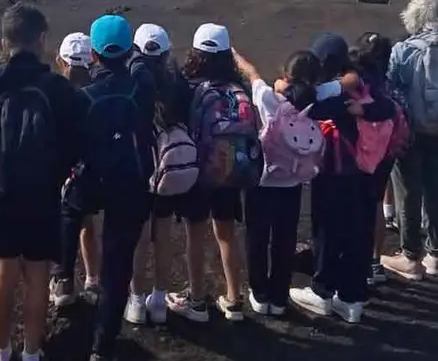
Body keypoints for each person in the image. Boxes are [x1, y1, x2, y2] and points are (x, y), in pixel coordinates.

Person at [0, 4, 86, 361]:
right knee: (37, 273)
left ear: (5, 42)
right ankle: (32, 352)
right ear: (42, 40)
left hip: (0, 194)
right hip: (44, 196)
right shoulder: (58, 89)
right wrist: (57, 175)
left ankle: (1, 351)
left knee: (3, 271)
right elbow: (74, 144)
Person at [288, 33, 388, 324]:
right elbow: (389, 108)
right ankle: (353, 299)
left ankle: (322, 292)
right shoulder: (368, 83)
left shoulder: (336, 92)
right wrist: (365, 109)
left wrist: (286, 86)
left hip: (336, 171)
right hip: (369, 170)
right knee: (360, 233)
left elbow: (306, 106)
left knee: (328, 231)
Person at [78, 15, 157, 361]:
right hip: (131, 182)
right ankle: (103, 345)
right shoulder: (142, 88)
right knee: (118, 265)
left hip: (91, 181)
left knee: (70, 220)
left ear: (93, 54)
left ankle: (63, 281)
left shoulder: (83, 96)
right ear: (128, 52)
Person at [381, 0, 438, 281]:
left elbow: (391, 89)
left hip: (413, 131)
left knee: (408, 193)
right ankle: (435, 256)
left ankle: (411, 257)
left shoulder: (404, 50)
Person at [165, 23, 250, 323]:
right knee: (227, 234)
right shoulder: (239, 87)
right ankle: (234, 300)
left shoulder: (187, 86)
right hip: (230, 169)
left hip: (198, 173)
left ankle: (197, 300)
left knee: (196, 236)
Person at [234, 48, 322, 317]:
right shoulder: (316, 101)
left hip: (262, 181)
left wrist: (235, 55)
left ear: (286, 74)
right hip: (292, 184)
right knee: (284, 240)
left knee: (256, 237)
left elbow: (251, 73)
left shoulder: (269, 99)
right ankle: (279, 297)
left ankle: (259, 293)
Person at [125, 22, 188, 325]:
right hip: (168, 167)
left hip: (139, 168)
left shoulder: (132, 80)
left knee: (138, 236)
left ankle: (136, 301)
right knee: (163, 234)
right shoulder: (178, 83)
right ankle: (160, 300)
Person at [51, 32, 102, 308]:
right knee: (87, 223)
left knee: (65, 225)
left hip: (64, 174)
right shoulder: (95, 93)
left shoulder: (55, 94)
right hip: (92, 172)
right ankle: (93, 279)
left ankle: (63, 282)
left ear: (61, 61)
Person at [349, 32, 400, 285]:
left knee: (355, 206)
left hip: (361, 151)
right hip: (387, 149)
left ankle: (355, 264)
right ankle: (374, 262)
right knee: (376, 202)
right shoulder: (390, 82)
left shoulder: (357, 81)